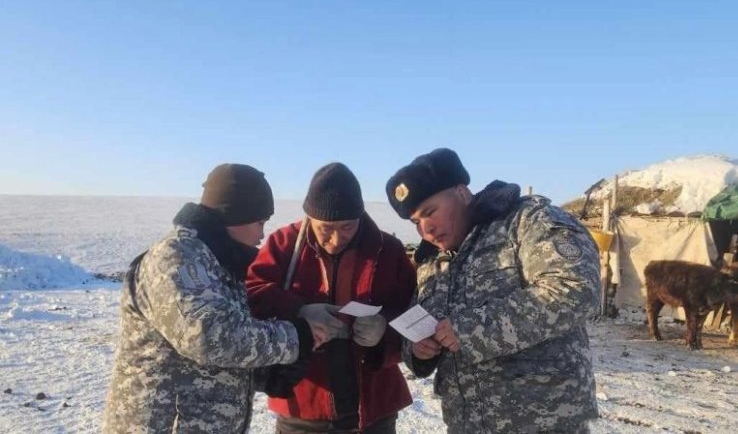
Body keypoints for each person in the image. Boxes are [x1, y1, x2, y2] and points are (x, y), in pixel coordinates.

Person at [103, 163, 334, 434]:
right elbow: (207, 338)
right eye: (260, 222)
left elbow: (220, 352)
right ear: (235, 216)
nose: (262, 235)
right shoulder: (176, 259)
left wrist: (269, 373)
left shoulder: (218, 264)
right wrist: (296, 337)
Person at [385, 148, 601, 434]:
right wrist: (418, 351)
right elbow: (420, 324)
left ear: (461, 192)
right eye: (416, 222)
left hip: (544, 423)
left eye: (430, 212)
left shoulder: (526, 222)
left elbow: (576, 289)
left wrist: (471, 330)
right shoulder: (432, 262)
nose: (426, 229)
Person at [246, 162, 417, 434]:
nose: (336, 239)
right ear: (309, 217)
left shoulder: (389, 250)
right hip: (302, 406)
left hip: (376, 408)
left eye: (347, 227)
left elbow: (413, 312)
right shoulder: (283, 245)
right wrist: (298, 311)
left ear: (360, 216)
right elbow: (251, 293)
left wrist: (384, 327)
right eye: (325, 228)